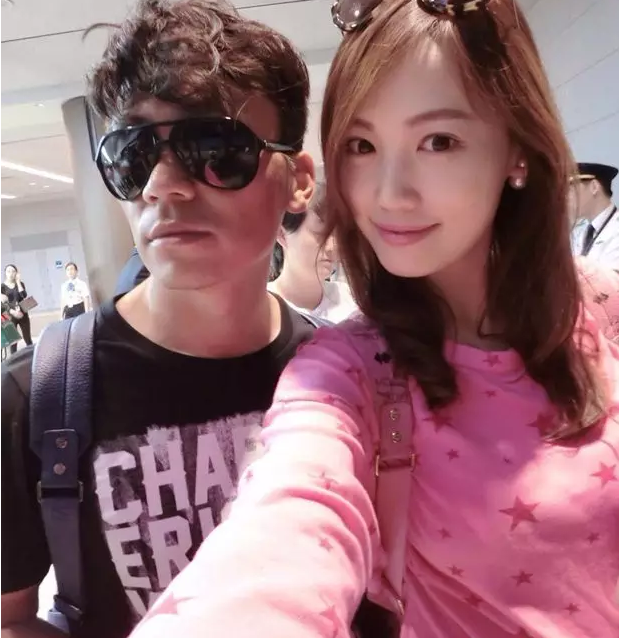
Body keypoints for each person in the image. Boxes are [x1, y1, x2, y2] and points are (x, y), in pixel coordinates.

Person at [129, 1, 619, 638]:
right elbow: (288, 523)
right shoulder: (349, 373)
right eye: (361, 146)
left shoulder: (603, 306)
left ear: (517, 150)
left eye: (438, 141)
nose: (389, 193)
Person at [0, 1, 315, 637]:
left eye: (215, 147)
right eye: (134, 153)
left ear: (298, 181)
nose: (162, 185)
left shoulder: (344, 378)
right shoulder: (37, 397)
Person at [268, 183, 357, 322]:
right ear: (282, 235)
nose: (333, 247)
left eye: (339, 235)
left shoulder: (351, 302)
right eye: (321, 233)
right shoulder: (261, 308)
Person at [569, 162, 618, 268]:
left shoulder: (616, 230)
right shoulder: (579, 229)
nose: (567, 197)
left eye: (572, 189)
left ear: (594, 187)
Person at [1, 264, 33, 354]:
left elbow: (23, 295)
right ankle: (14, 360)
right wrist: (12, 312)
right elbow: (2, 305)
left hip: (23, 314)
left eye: (13, 271)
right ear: (5, 273)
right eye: (8, 271)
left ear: (16, 273)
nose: (11, 273)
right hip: (10, 316)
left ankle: (32, 357)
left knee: (28, 339)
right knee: (13, 342)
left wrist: (18, 282)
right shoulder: (2, 287)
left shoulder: (20, 284)